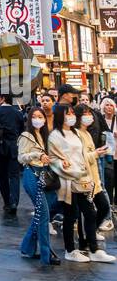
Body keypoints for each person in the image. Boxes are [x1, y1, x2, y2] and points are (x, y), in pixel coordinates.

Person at [48, 103, 113, 263]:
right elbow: (54, 159)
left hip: (82, 179)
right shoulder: (55, 135)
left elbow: (83, 156)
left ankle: (92, 248)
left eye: (72, 113)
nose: (71, 116)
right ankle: (70, 250)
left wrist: (92, 158)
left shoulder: (76, 132)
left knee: (90, 213)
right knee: (70, 216)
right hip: (67, 181)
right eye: (67, 113)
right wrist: (63, 165)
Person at [18, 106, 60, 266]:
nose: (37, 119)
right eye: (34, 116)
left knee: (42, 214)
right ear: (29, 119)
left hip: (45, 175)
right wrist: (36, 155)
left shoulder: (44, 135)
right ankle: (45, 253)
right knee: (43, 214)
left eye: (40, 116)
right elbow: (21, 158)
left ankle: (27, 247)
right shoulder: (26, 136)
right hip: (32, 175)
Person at [0, 93, 25, 216]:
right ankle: (14, 201)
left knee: (2, 176)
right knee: (14, 176)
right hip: (14, 146)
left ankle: (7, 202)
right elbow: (22, 129)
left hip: (0, 147)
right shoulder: (17, 113)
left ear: (2, 98)